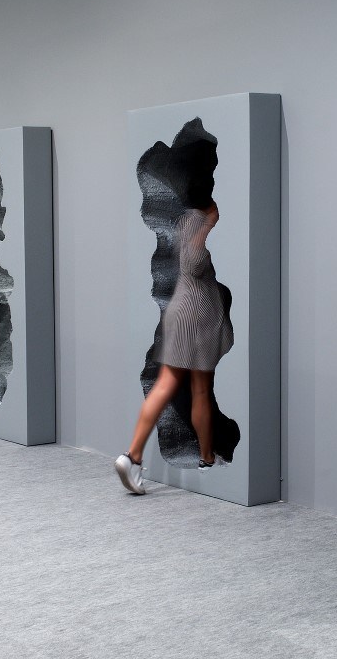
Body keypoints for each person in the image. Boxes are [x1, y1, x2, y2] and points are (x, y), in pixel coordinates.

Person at [115, 200, 233, 495]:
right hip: (198, 315)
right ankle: (206, 457)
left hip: (181, 310)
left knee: (166, 385)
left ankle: (132, 456)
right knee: (201, 389)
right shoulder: (199, 221)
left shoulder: (183, 220)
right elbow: (194, 263)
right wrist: (210, 222)